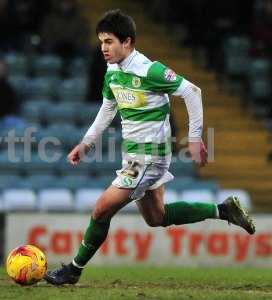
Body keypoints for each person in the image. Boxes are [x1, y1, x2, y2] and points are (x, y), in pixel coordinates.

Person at [44, 9, 256, 286]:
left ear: (128, 42)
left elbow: (192, 92)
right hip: (134, 156)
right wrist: (86, 143)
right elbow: (108, 109)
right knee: (157, 217)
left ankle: (74, 269)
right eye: (101, 42)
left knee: (100, 210)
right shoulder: (112, 71)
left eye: (109, 41)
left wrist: (194, 138)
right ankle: (223, 210)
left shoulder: (149, 70)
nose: (103, 48)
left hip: (149, 158)